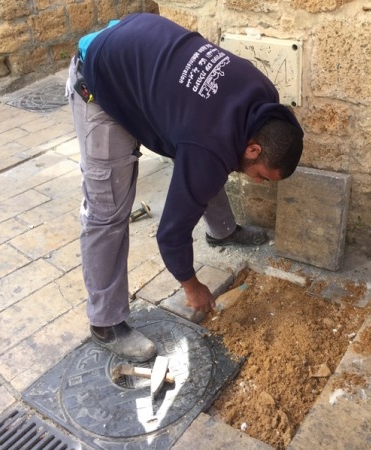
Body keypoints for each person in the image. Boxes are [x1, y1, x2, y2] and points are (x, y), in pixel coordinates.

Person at [66, 13, 303, 362]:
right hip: (99, 80)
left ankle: (222, 231)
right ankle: (105, 322)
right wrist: (192, 286)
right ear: (255, 149)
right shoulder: (208, 143)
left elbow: (211, 156)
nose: (258, 183)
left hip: (139, 48)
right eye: (262, 177)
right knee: (108, 210)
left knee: (212, 157)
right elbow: (171, 234)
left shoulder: (265, 101)